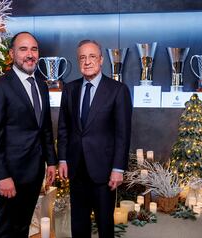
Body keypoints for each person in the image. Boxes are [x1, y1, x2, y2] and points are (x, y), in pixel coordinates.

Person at [0, 32, 57, 238]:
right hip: (11, 174)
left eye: (34, 49)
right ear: (12, 53)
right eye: (23, 49)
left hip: (34, 172)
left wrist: (51, 161)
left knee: (22, 226)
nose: (30, 54)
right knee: (6, 229)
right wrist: (2, 176)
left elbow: (45, 128)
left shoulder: (41, 85)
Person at [58, 39, 132, 238]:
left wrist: (118, 169)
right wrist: (63, 159)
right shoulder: (70, 89)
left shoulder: (118, 90)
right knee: (79, 224)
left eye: (92, 57)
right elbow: (64, 127)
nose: (87, 61)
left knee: (104, 225)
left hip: (104, 170)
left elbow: (122, 133)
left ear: (101, 61)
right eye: (82, 57)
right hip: (76, 169)